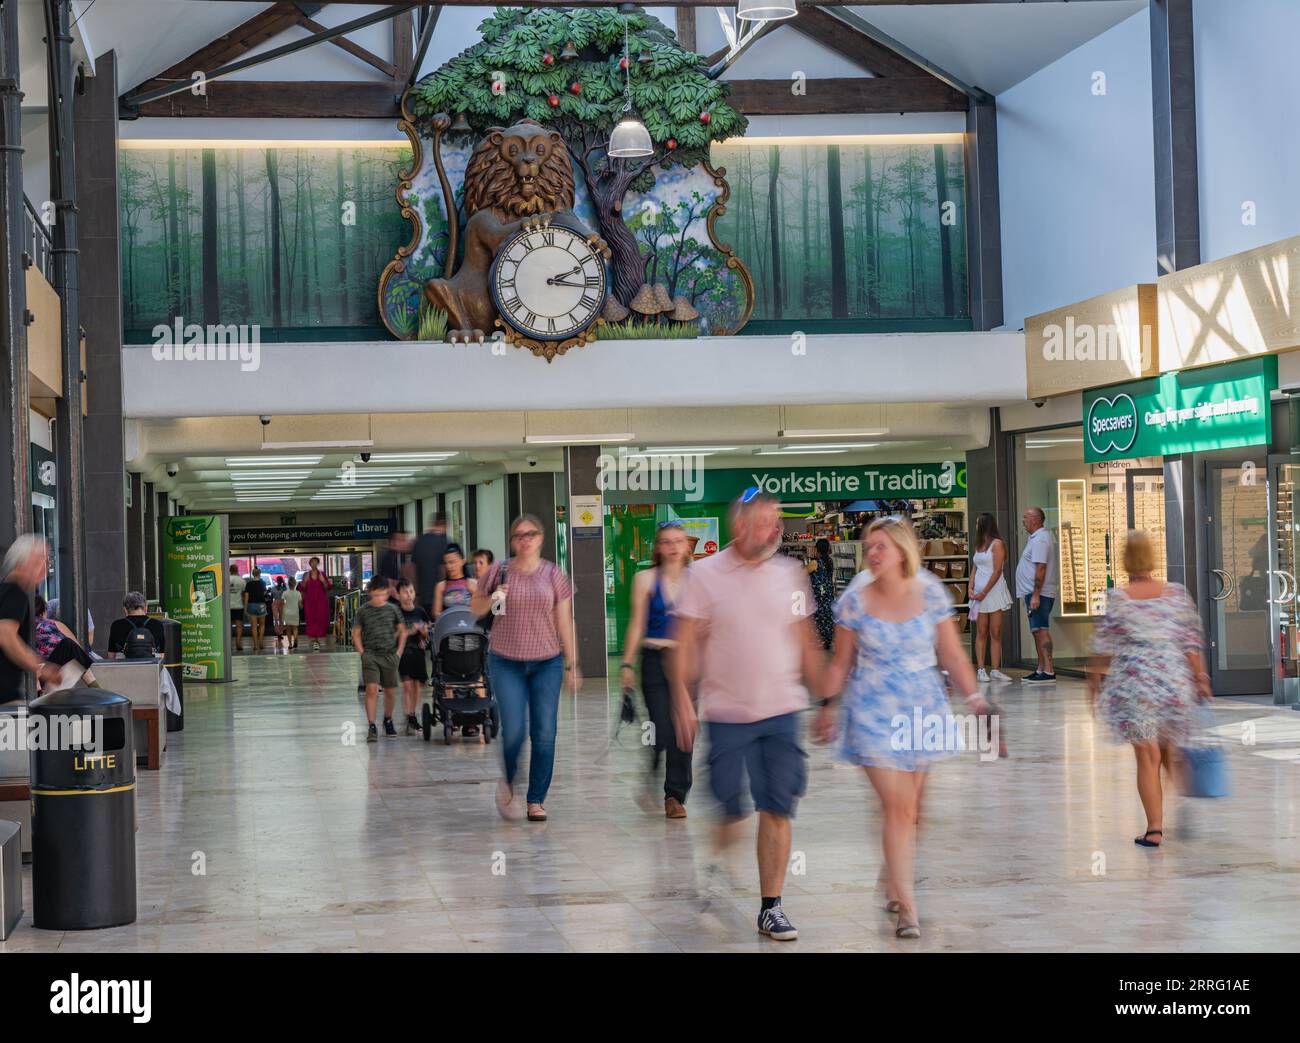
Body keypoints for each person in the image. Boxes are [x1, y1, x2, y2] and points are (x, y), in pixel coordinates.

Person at [816, 516, 989, 941]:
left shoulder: (930, 592)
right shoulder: (855, 599)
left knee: (914, 810)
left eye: (881, 547)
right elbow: (841, 661)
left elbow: (951, 654)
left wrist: (976, 700)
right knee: (898, 806)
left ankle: (892, 875)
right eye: (868, 546)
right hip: (872, 709)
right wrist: (827, 706)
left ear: (903, 551)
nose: (872, 554)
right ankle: (907, 906)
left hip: (922, 708)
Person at [670, 490, 826, 942]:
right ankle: (718, 863)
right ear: (740, 526)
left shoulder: (790, 573)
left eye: (777, 521)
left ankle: (771, 906)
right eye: (765, 521)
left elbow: (805, 638)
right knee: (730, 809)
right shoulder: (704, 575)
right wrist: (682, 696)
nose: (776, 529)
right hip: (726, 713)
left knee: (777, 806)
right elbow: (686, 641)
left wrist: (828, 700)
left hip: (781, 709)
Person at [1087, 530, 1210, 849]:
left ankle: (1154, 829)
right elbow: (1191, 640)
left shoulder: (1118, 598)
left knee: (1147, 755)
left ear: (1126, 561)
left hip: (1136, 684)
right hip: (1172, 681)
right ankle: (1182, 800)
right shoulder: (1176, 594)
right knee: (1169, 748)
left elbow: (1102, 647)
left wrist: (1093, 683)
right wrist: (1200, 676)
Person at [470, 514, 578, 823]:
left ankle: (536, 799)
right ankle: (509, 779)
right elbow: (474, 609)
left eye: (531, 534)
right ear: (512, 540)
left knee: (544, 732)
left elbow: (565, 621)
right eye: (519, 535)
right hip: (506, 661)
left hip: (547, 662)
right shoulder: (497, 571)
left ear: (541, 538)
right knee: (515, 730)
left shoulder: (555, 575)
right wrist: (493, 597)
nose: (525, 539)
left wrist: (572, 664)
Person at [621, 520, 693, 818]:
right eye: (667, 541)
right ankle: (651, 770)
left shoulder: (698, 579)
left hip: (688, 662)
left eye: (678, 541)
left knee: (685, 730)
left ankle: (674, 796)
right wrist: (626, 663)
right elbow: (637, 622)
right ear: (658, 547)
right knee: (662, 727)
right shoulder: (645, 579)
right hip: (654, 658)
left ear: (687, 545)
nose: (673, 547)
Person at [0, 536, 61, 703]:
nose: (45, 568)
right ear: (25, 563)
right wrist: (42, 667)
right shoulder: (14, 593)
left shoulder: (4, 590)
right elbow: (6, 636)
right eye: (42, 560)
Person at [353, 576, 407, 743]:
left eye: (382, 595)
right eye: (375, 595)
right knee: (371, 689)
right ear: (369, 593)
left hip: (390, 655)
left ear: (387, 593)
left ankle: (388, 719)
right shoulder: (363, 610)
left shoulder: (393, 610)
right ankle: (371, 725)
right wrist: (362, 653)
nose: (378, 599)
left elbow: (403, 631)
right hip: (370, 656)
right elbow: (356, 633)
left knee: (390, 691)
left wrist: (398, 653)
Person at [968, 512, 1013, 683]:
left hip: (993, 592)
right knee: (981, 632)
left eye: (978, 523)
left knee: (995, 632)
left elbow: (997, 571)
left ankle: (995, 669)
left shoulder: (997, 544)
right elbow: (974, 568)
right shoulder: (978, 545)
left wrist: (983, 592)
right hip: (979, 594)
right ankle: (981, 669)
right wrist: (970, 588)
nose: (976, 526)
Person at [1016, 506, 1057, 683]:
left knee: (1041, 630)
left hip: (1039, 594)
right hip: (1033, 593)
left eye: (1025, 517)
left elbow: (1041, 567)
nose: (1023, 521)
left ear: (1035, 519)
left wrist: (1036, 594)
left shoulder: (1040, 539)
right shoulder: (1036, 538)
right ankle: (1041, 668)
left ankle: (1048, 670)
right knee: (1036, 631)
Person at [34, 595, 100, 690]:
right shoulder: (53, 623)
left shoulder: (21, 627)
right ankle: (96, 688)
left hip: (38, 674)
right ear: (43, 611)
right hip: (51, 673)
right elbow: (78, 646)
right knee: (69, 645)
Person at [394, 578, 430, 735]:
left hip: (418, 652)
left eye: (411, 591)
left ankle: (413, 714)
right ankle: (409, 716)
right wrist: (409, 631)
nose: (408, 595)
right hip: (403, 653)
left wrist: (423, 632)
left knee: (417, 686)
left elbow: (427, 634)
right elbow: (393, 635)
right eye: (405, 592)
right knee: (407, 685)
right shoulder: (396, 612)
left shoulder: (420, 611)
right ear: (398, 595)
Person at [106, 591, 167, 658]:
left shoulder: (117, 625)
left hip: (125, 666)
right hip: (151, 666)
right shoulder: (157, 624)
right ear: (146, 607)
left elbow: (111, 655)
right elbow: (161, 655)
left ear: (125, 609)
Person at [413, 514, 449, 617]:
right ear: (445, 525)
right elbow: (443, 570)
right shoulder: (444, 542)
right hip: (440, 598)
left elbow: (411, 568)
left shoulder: (419, 541)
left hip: (423, 596)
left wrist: (416, 593)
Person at [805, 538, 836, 650]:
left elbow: (802, 573)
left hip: (818, 596)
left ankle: (818, 641)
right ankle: (827, 640)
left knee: (817, 617)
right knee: (827, 617)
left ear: (817, 549)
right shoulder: (830, 562)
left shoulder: (815, 563)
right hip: (828, 594)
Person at [433, 544, 477, 616]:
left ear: (462, 561)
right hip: (449, 625)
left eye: (452, 562)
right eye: (446, 563)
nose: (448, 566)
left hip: (469, 624)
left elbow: (479, 610)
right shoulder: (440, 586)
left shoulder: (472, 584)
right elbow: (436, 613)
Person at [300, 557, 332, 652]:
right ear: (310, 564)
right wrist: (305, 582)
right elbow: (302, 589)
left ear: (317, 563)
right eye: (312, 562)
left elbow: (327, 587)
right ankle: (314, 640)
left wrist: (323, 581)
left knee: (320, 619)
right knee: (311, 619)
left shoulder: (322, 574)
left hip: (320, 601)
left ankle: (316, 640)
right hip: (310, 602)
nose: (314, 564)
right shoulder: (306, 575)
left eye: (315, 562)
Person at [243, 567, 269, 652]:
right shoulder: (263, 583)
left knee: (253, 626)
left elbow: (246, 597)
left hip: (251, 605)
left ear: (252, 574)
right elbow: (265, 594)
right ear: (259, 574)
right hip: (261, 605)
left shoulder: (248, 584)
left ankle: (255, 645)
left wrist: (246, 608)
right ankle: (261, 642)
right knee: (262, 625)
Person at [280, 576, 302, 651]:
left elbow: (282, 603)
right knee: (295, 628)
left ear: (288, 584)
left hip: (287, 613)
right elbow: (300, 604)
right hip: (295, 612)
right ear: (295, 584)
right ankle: (295, 638)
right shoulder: (298, 593)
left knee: (288, 629)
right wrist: (302, 607)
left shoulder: (285, 593)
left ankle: (290, 644)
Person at [228, 564, 246, 652]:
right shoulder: (241, 580)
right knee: (239, 626)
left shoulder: (225, 579)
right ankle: (238, 643)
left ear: (229, 570)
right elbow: (243, 594)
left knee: (228, 626)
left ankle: (229, 644)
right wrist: (245, 606)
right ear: (237, 570)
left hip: (228, 607)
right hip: (238, 606)